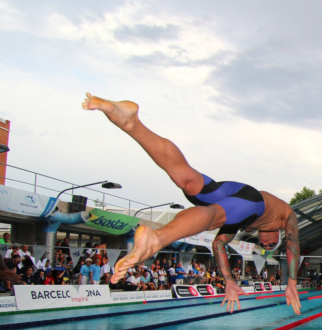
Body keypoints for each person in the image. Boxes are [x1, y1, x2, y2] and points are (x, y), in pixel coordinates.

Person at [83, 93, 301, 314]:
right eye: (270, 244)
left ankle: (130, 122)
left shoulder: (243, 221)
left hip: (231, 191)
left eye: (264, 246)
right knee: (213, 216)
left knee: (186, 179)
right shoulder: (285, 216)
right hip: (253, 200)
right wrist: (291, 281)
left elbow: (218, 245)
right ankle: (157, 238)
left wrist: (228, 280)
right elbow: (294, 246)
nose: (265, 244)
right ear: (279, 235)